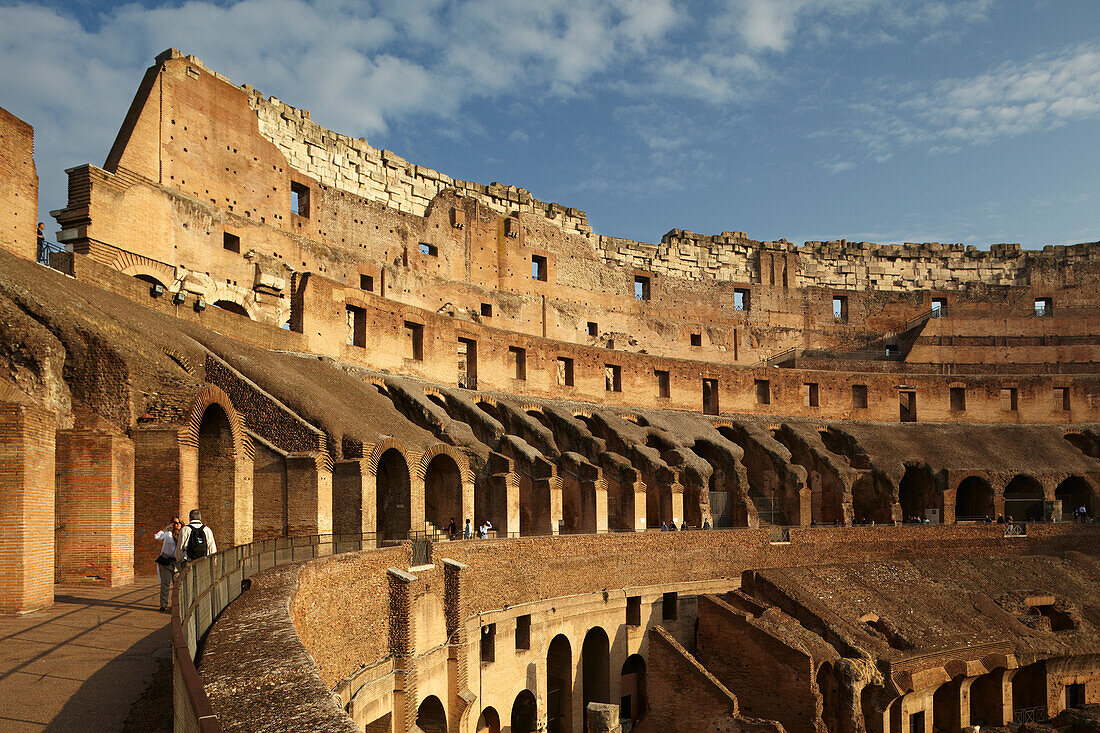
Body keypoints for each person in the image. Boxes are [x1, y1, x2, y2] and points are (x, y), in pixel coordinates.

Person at [154, 517, 182, 612]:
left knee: (177, 585)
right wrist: (165, 528)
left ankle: (176, 605)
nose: (176, 524)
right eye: (174, 522)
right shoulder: (167, 533)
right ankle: (163, 604)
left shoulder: (183, 534)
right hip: (166, 561)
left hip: (177, 563)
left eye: (178, 523)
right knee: (165, 583)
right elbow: (157, 537)